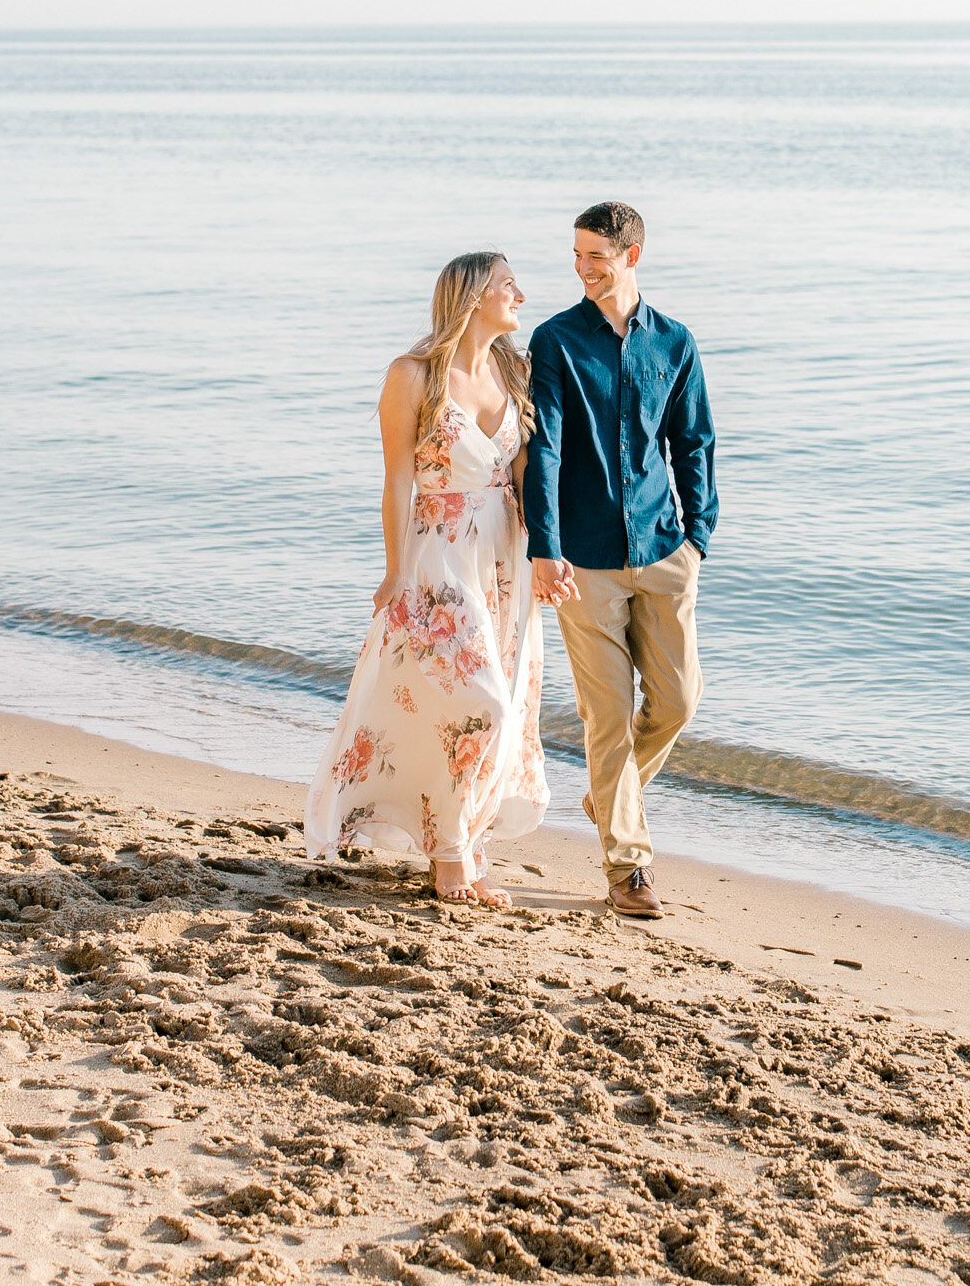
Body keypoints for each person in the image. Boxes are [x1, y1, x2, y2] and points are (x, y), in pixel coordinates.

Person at [304, 252, 548, 906]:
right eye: (506, 285)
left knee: (502, 707)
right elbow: (398, 480)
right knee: (479, 703)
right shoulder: (413, 376)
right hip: (439, 554)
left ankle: (466, 842)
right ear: (471, 297)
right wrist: (394, 570)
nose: (520, 293)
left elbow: (526, 475)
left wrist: (550, 552)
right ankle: (447, 852)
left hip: (504, 559)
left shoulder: (510, 373)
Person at [525, 202, 717, 918]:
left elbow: (693, 441)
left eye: (595, 258)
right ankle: (626, 867)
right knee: (607, 718)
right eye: (576, 257)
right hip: (585, 561)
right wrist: (545, 549)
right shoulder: (554, 341)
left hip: (665, 548)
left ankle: (611, 795)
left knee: (677, 701)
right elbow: (542, 449)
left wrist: (698, 534)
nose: (582, 269)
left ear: (631, 256)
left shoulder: (674, 342)